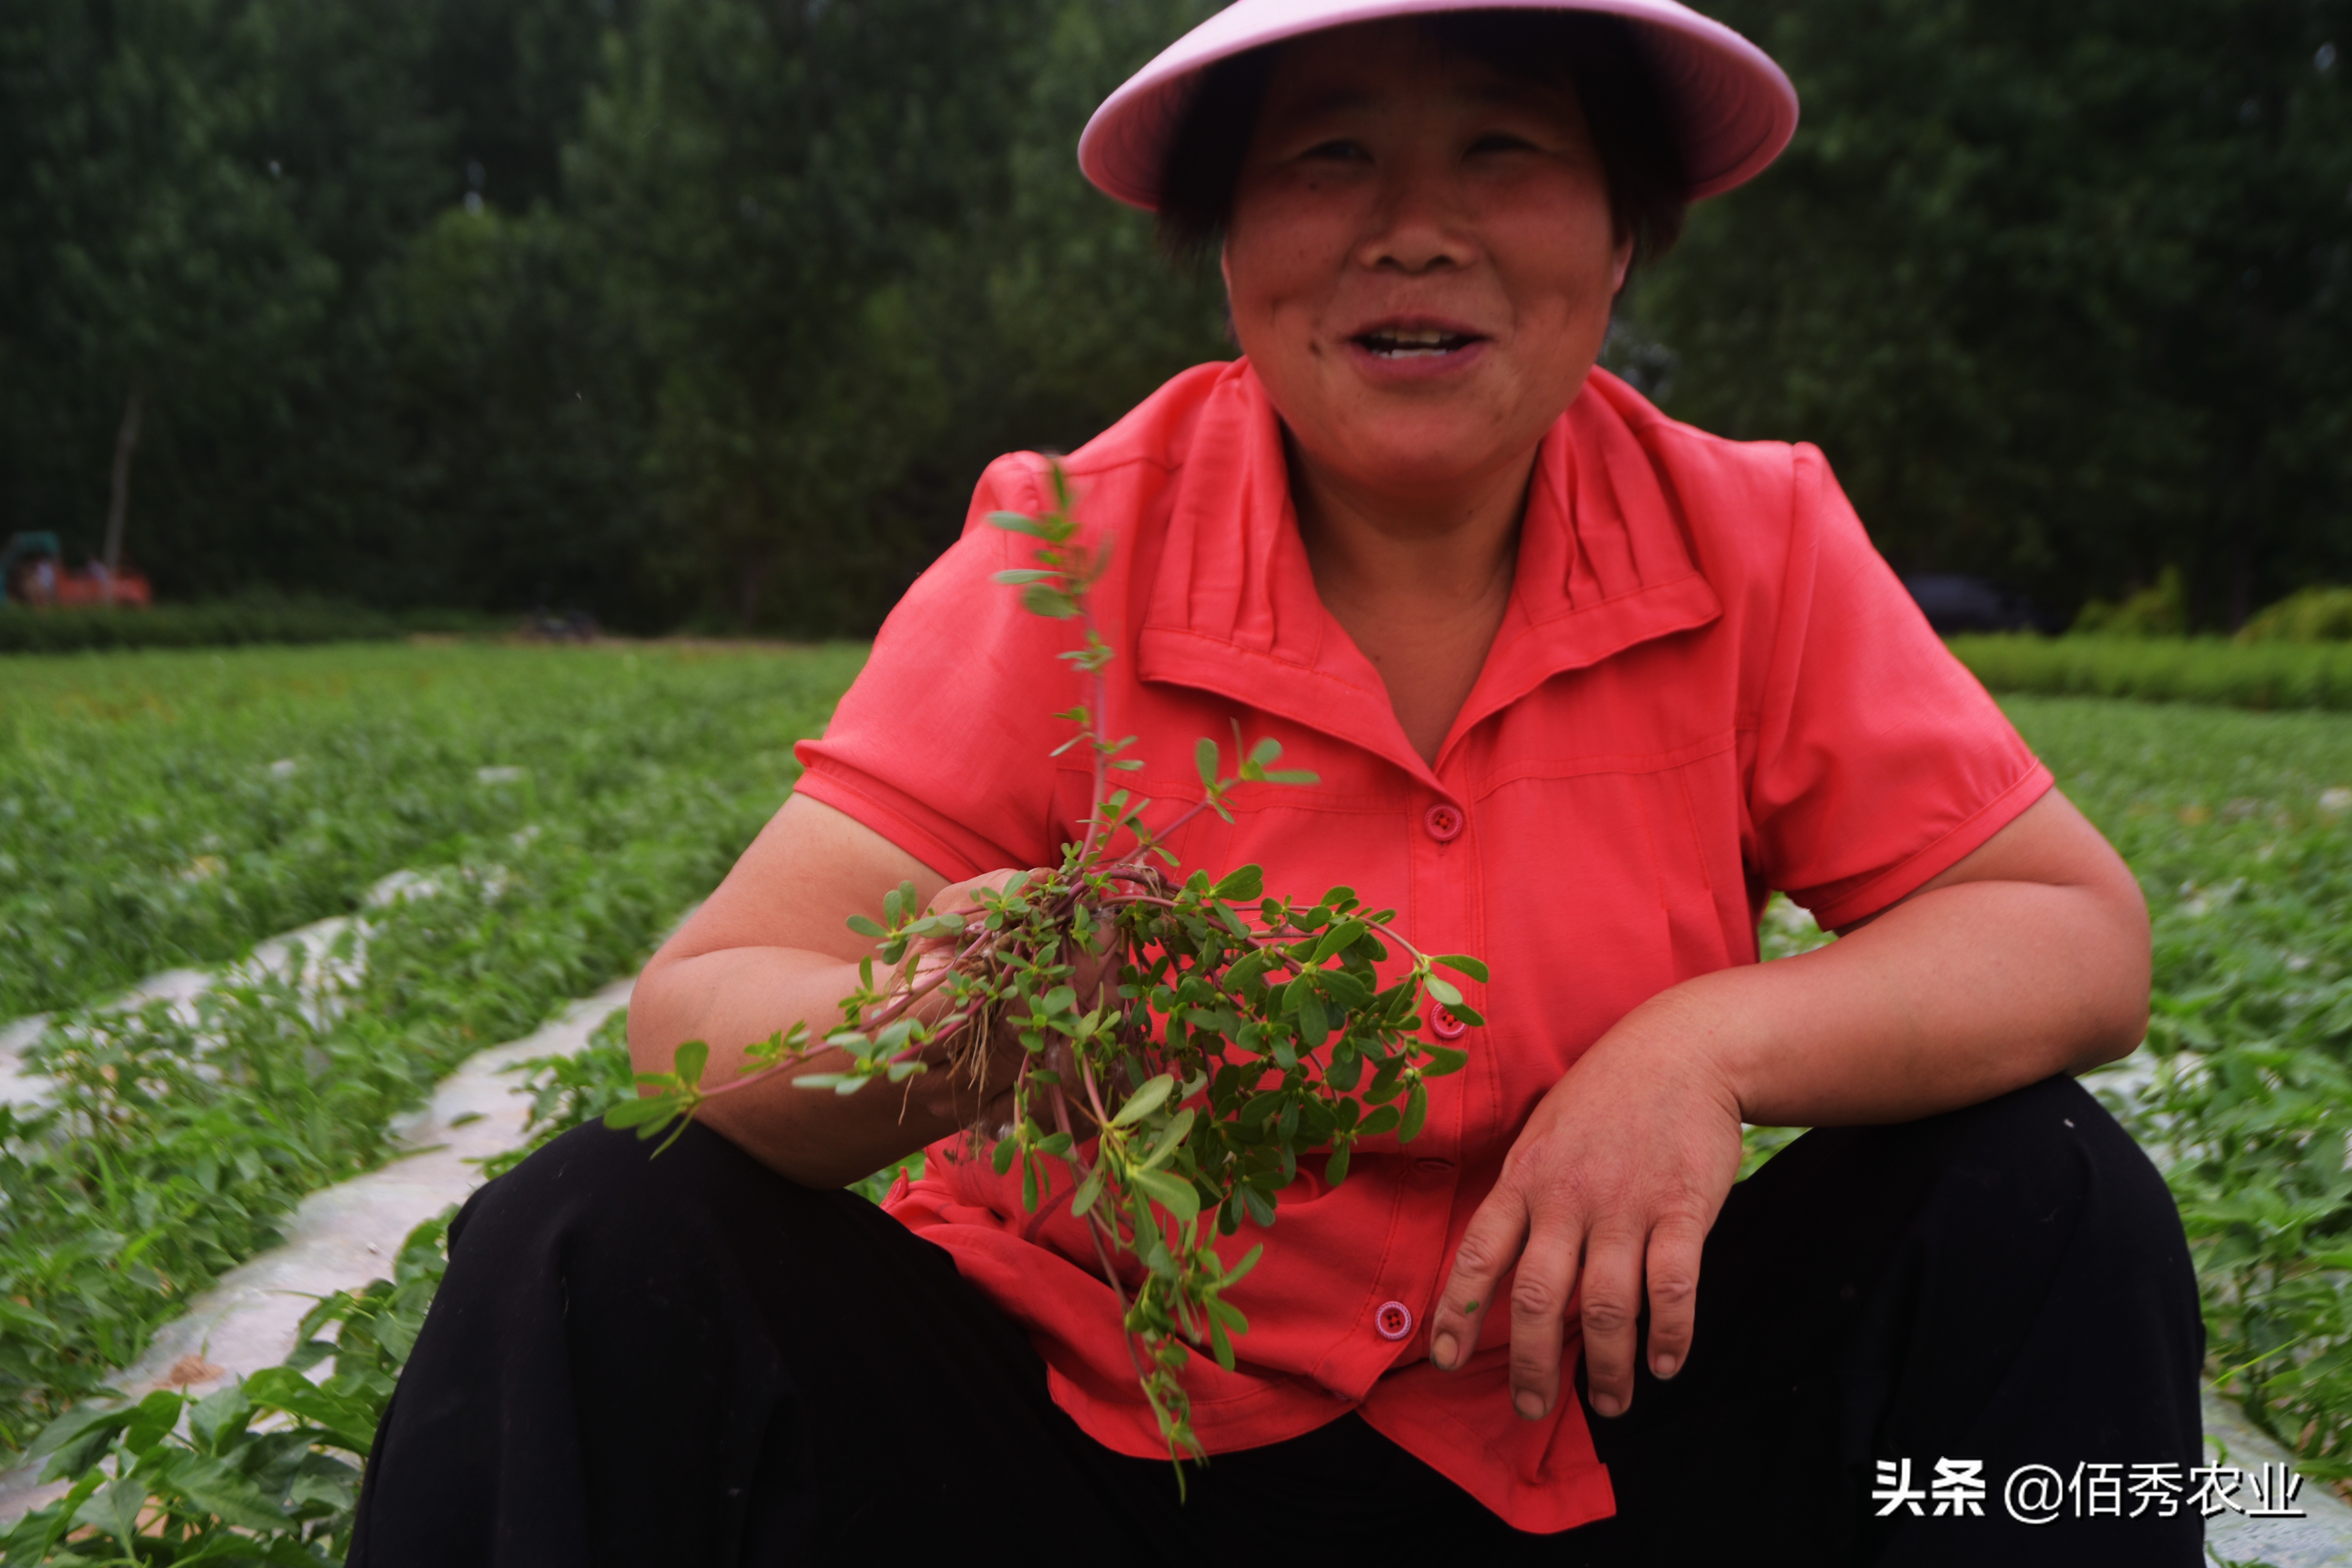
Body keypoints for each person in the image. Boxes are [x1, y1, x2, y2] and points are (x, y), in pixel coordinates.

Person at [350, 1, 2203, 1562]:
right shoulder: (1068, 551)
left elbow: (2070, 930)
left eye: (1505, 149)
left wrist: (1701, 1050)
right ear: (1230, 238)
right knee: (596, 1236)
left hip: (1583, 1428)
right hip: (1091, 1454)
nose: (1416, 230)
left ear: (1622, 232)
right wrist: (949, 1018)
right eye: (1329, 158)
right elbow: (697, 1012)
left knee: (2045, 1194)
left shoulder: (1751, 539)